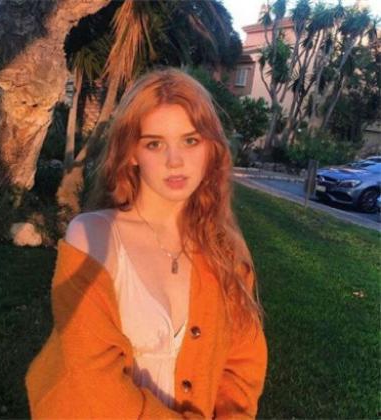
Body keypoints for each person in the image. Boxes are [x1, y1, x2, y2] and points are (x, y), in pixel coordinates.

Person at [25, 68, 268, 419]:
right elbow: (91, 376)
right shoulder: (93, 238)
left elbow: (242, 365)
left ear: (211, 149)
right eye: (155, 143)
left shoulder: (225, 252)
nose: (175, 161)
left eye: (190, 140)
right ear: (132, 153)